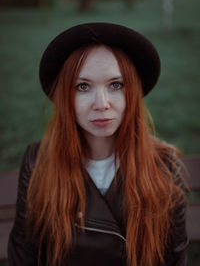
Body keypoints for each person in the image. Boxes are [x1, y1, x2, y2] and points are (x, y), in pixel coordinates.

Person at [8, 23, 188, 266]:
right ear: (65, 97)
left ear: (132, 92)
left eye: (116, 85)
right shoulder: (37, 161)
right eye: (83, 86)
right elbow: (24, 257)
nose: (101, 104)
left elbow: (174, 260)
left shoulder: (164, 167)